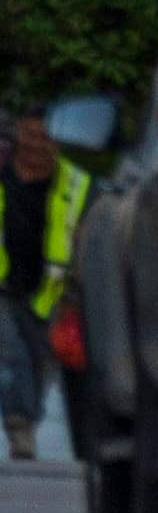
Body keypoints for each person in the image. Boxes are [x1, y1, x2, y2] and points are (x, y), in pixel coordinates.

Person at [0, 114, 73, 463]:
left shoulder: (73, 183)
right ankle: (19, 428)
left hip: (49, 290)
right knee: (10, 355)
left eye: (44, 135)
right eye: (29, 134)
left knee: (41, 362)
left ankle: (27, 418)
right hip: (3, 286)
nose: (35, 143)